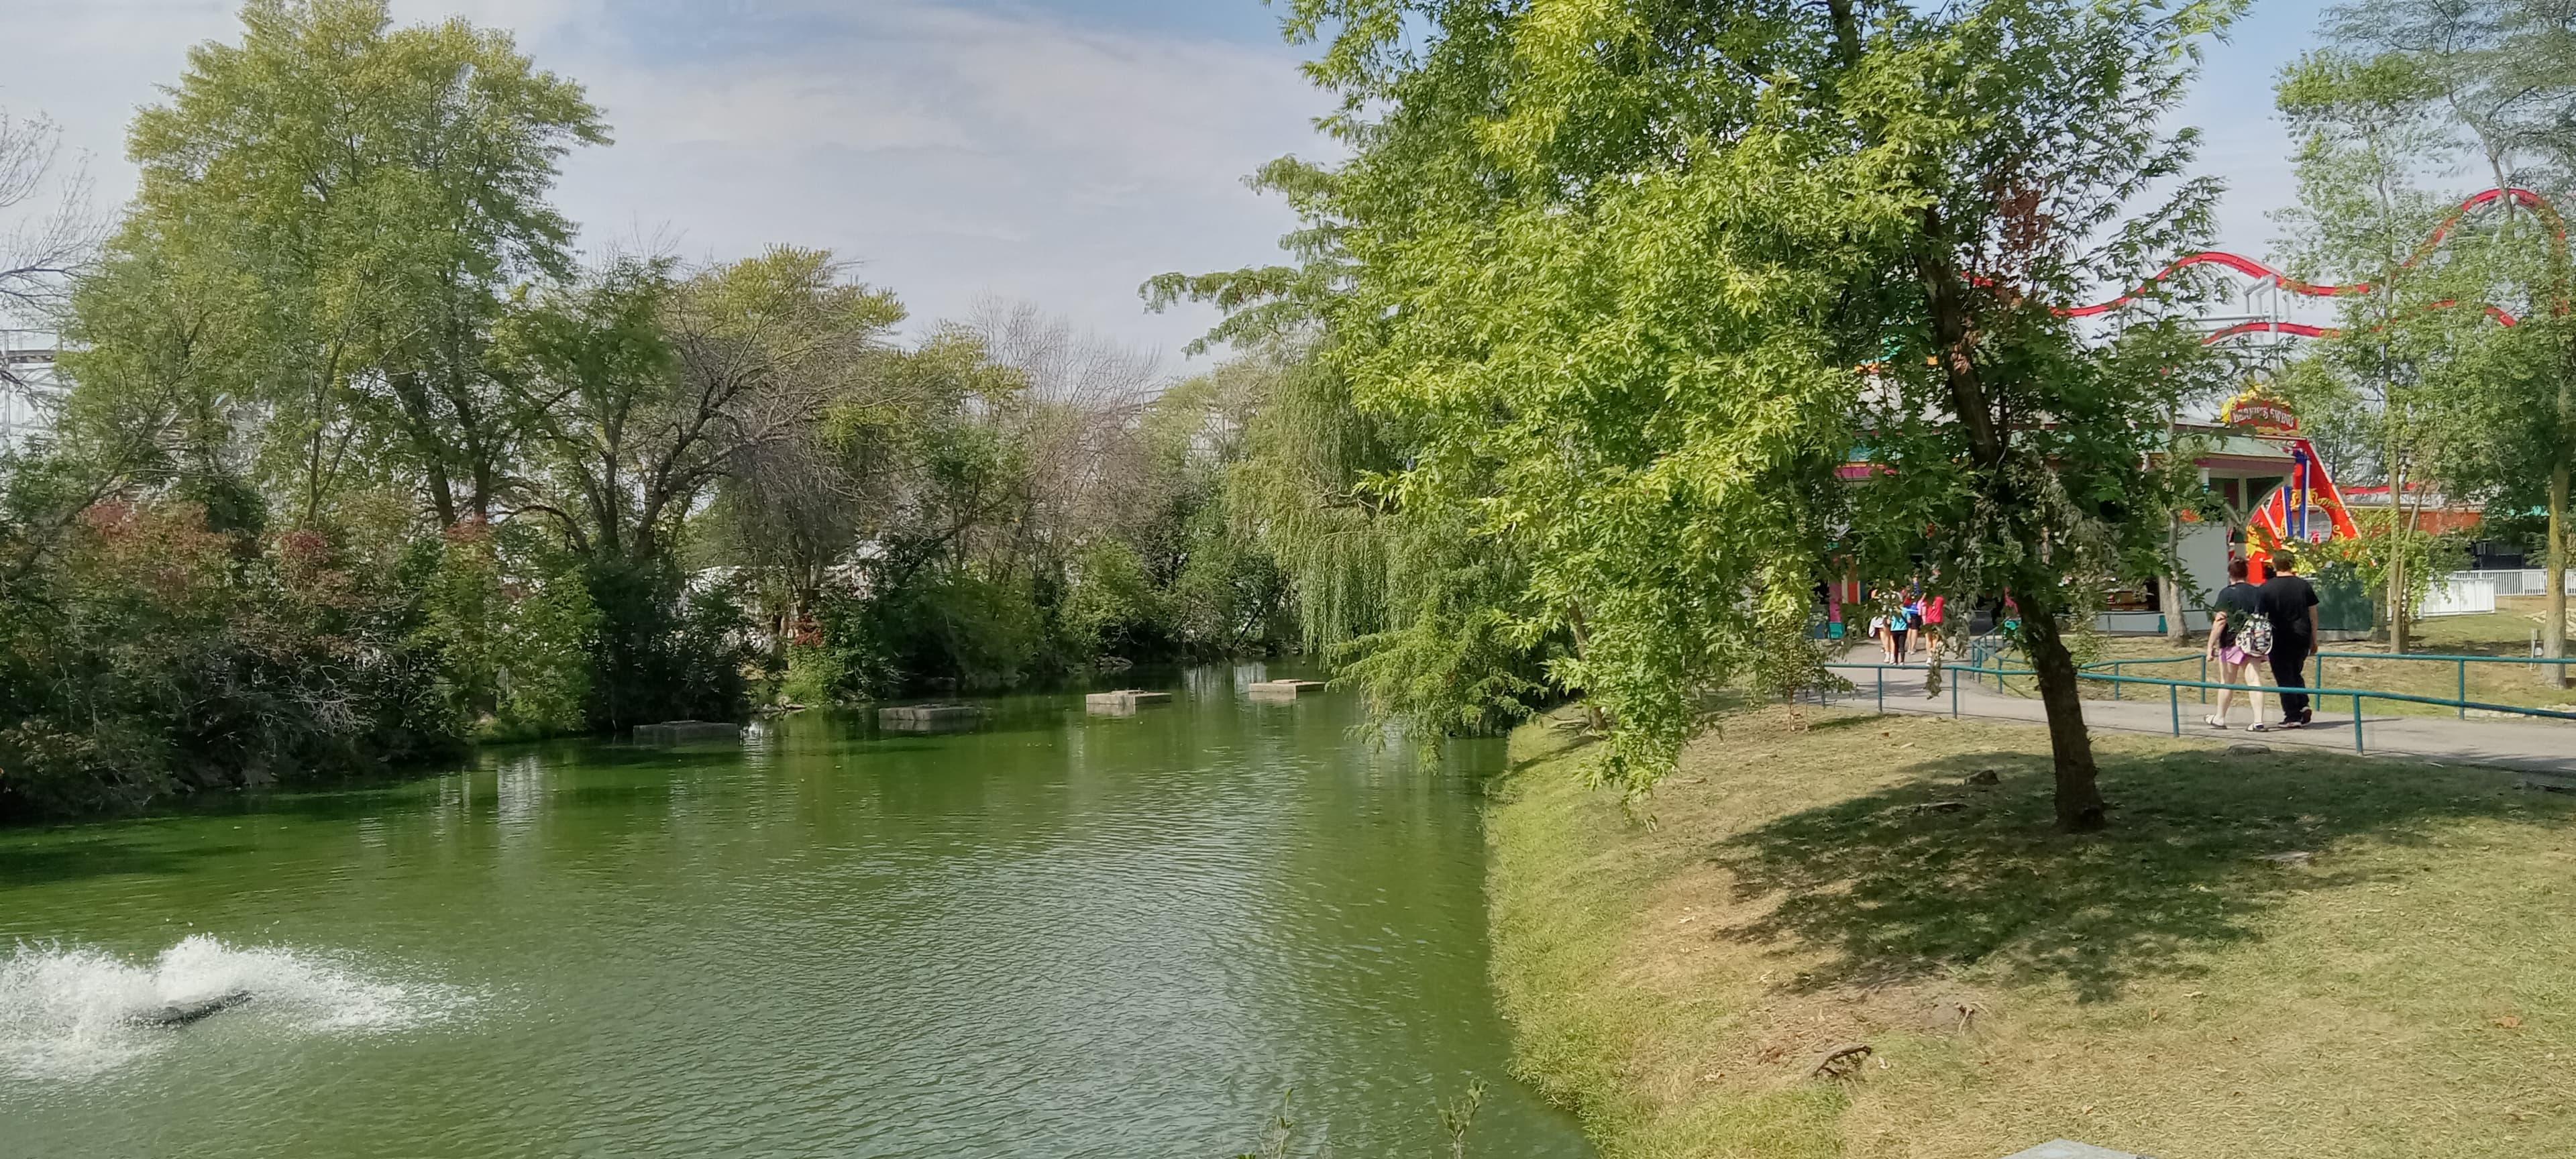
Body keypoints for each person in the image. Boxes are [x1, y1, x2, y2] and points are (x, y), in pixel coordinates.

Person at [2256, 550, 2321, 729]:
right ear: (2291, 564)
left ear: (2274, 564)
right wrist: (2314, 639)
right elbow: (2313, 614)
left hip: (2279, 637)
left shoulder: (2266, 589)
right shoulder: (2304, 586)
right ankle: (2302, 703)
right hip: (2302, 636)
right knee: (2295, 671)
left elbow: (2259, 618)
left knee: (2284, 676)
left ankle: (2292, 715)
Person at [2200, 558, 2265, 729]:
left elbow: (2220, 621)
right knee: (2254, 680)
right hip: (2252, 642)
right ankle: (2258, 721)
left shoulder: (2227, 593)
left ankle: (2220, 717)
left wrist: (2210, 646)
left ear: (2230, 574)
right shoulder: (2257, 592)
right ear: (2247, 573)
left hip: (2231, 642)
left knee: (2227, 682)